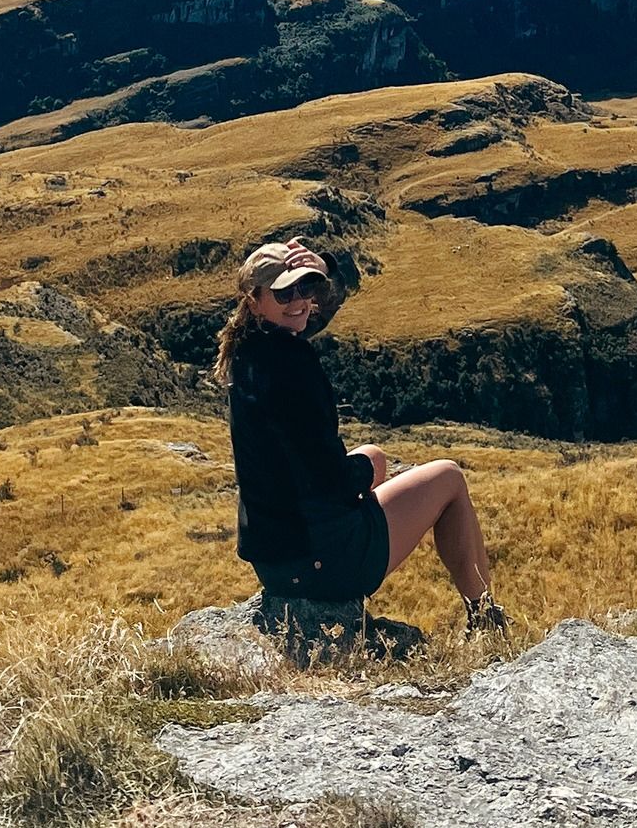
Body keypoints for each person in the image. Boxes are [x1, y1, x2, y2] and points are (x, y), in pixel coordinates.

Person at [213, 236, 506, 637]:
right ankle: (486, 618)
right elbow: (328, 480)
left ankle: (480, 612)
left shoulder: (250, 350)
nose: (300, 300)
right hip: (319, 563)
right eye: (286, 291)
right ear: (254, 300)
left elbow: (307, 317)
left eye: (306, 286)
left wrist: (326, 268)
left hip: (277, 564)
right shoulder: (292, 369)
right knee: (449, 478)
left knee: (373, 456)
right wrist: (366, 471)